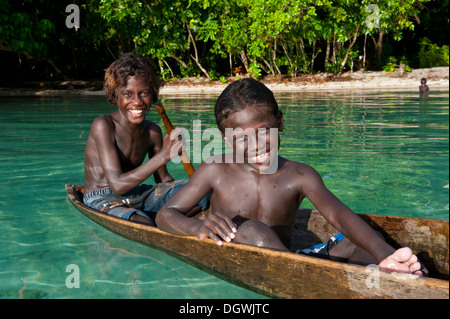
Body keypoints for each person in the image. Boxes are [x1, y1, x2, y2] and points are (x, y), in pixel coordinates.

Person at [156, 78, 427, 276]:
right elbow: (166, 214)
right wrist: (197, 228)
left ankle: (393, 269)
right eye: (241, 138)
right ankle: (306, 276)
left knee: (356, 241)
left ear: (280, 122)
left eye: (263, 130)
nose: (256, 145)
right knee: (250, 229)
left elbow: (339, 216)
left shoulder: (299, 174)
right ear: (227, 139)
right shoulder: (215, 169)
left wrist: (383, 254)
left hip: (290, 260)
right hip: (254, 260)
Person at [83, 53, 208, 226]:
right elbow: (118, 186)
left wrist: (190, 195)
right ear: (115, 95)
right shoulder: (103, 125)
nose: (137, 102)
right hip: (102, 196)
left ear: (153, 94)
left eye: (144, 93)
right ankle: (156, 220)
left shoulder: (153, 132)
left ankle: (167, 217)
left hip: (138, 195)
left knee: (204, 189)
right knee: (143, 223)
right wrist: (164, 155)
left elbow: (163, 180)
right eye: (128, 94)